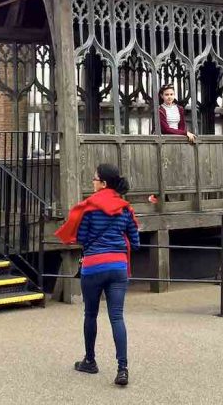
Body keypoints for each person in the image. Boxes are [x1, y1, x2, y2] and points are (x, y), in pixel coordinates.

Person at [56, 163, 141, 387]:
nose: (92, 182)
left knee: (90, 314)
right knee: (117, 317)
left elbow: (82, 237)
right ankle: (122, 369)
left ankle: (90, 361)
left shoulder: (90, 208)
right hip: (118, 267)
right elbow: (136, 241)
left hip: (93, 266)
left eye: (94, 178)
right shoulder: (125, 208)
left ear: (103, 183)